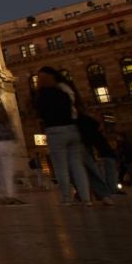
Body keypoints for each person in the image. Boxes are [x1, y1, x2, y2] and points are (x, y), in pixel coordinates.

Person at [34, 66, 91, 206]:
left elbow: (40, 112)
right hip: (72, 129)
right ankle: (86, 198)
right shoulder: (66, 90)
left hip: (55, 131)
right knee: (77, 166)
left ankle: (66, 198)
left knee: (61, 167)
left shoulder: (43, 94)